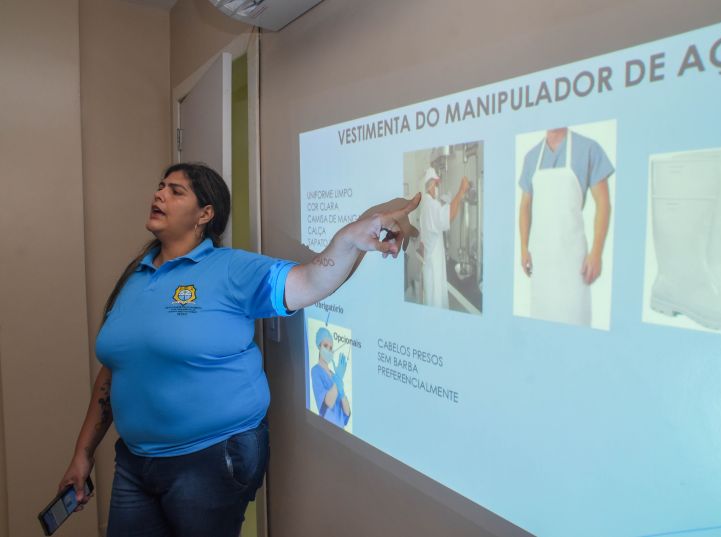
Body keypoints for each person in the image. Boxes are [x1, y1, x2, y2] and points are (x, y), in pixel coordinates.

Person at [57, 163, 419, 537]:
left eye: (176, 191)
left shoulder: (230, 269)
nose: (159, 194)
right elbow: (116, 368)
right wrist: (83, 452)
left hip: (210, 459)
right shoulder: (136, 276)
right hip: (135, 461)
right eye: (160, 186)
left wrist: (348, 238)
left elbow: (309, 281)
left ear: (205, 214)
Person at [518, 127, 613, 326]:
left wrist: (596, 253)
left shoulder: (587, 149)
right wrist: (523, 248)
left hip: (573, 264)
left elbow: (603, 203)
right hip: (542, 263)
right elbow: (525, 206)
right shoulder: (532, 158)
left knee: (575, 327)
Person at [419, 167, 470, 308]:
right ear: (431, 185)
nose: (437, 188)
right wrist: (461, 191)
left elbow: (423, 242)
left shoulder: (425, 206)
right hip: (434, 271)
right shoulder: (431, 206)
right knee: (436, 304)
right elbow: (448, 215)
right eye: (436, 184)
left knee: (430, 301)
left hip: (429, 265)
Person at [310, 327, 350, 428]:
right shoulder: (316, 371)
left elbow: (347, 413)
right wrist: (338, 380)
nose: (329, 350)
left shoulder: (334, 375)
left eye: (331, 348)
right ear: (319, 346)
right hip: (327, 430)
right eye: (325, 346)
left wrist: (341, 391)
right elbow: (327, 403)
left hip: (341, 432)